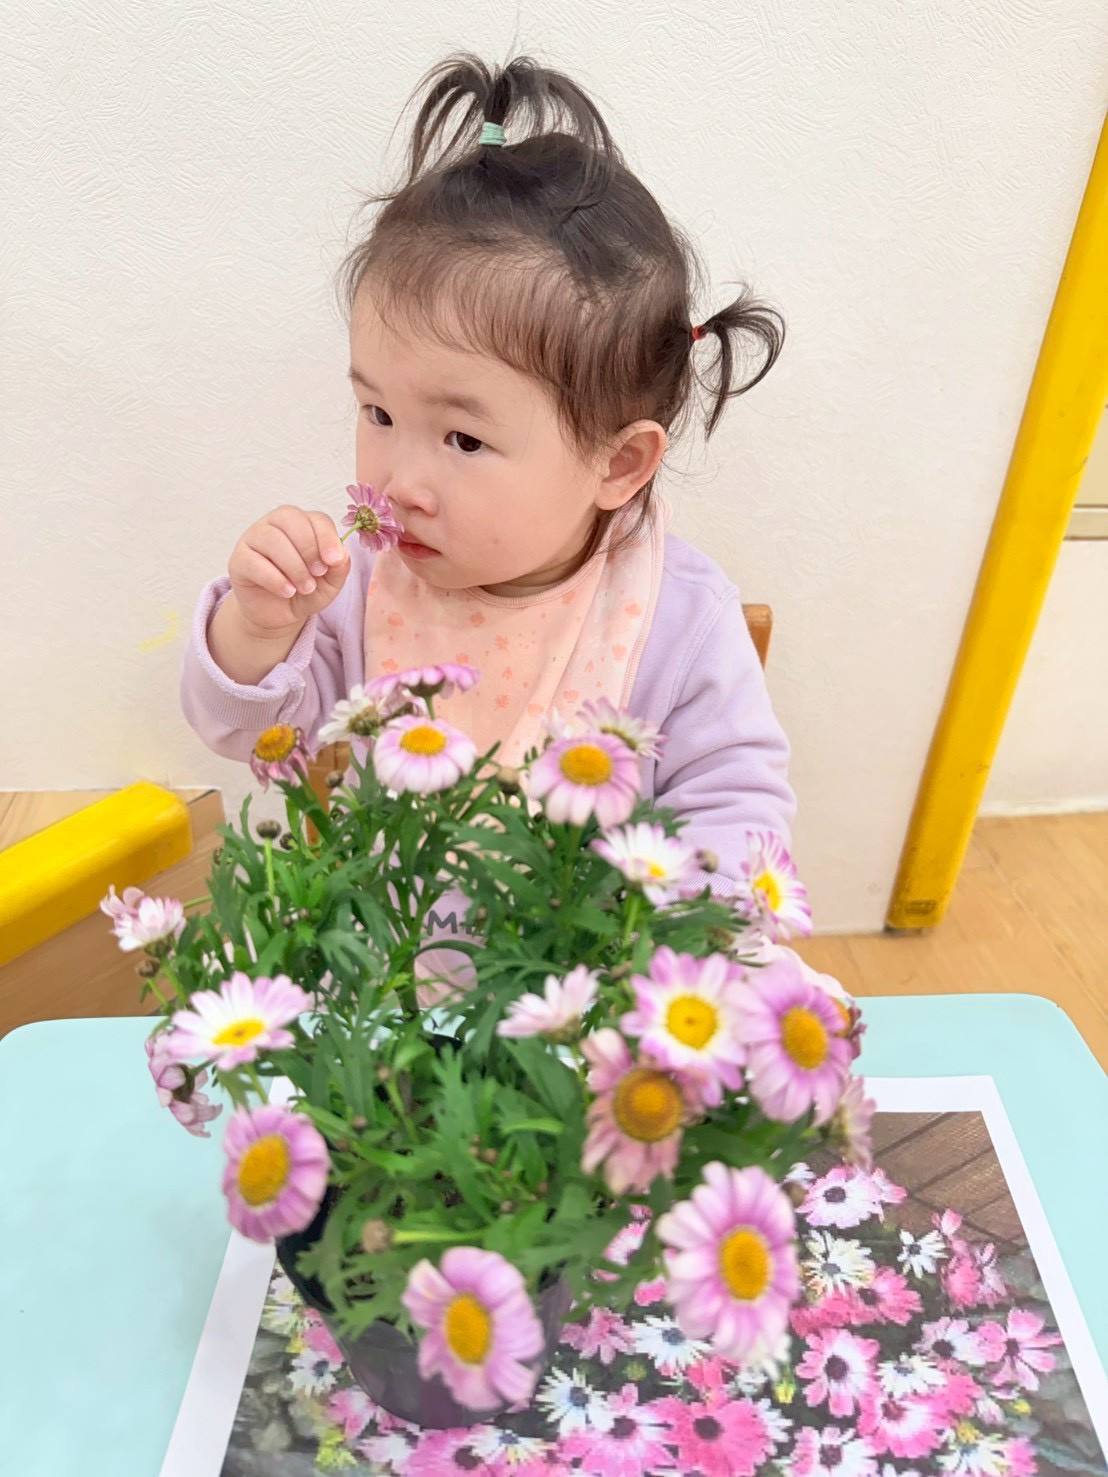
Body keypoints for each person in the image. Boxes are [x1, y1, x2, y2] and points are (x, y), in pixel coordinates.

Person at [181, 55, 795, 895]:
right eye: (378, 414)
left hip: (585, 968)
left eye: (464, 440)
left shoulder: (678, 621)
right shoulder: (361, 584)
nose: (399, 483)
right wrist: (258, 628)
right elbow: (244, 732)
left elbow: (740, 822)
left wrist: (671, 936)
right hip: (387, 958)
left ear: (618, 463)